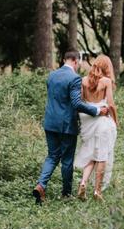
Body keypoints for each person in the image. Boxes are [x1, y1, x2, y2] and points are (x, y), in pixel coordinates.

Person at [32, 50, 108, 205]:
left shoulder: (52, 75)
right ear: (75, 60)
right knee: (66, 160)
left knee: (52, 156)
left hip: (50, 123)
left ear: (63, 59)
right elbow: (76, 103)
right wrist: (97, 111)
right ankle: (66, 194)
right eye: (79, 61)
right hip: (66, 125)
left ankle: (41, 185)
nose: (79, 64)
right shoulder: (74, 78)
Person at [75, 55, 118, 201]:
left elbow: (80, 103)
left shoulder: (83, 81)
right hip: (102, 121)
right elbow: (111, 104)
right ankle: (97, 191)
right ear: (107, 67)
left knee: (92, 154)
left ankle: (83, 183)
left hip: (87, 121)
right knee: (102, 155)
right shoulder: (106, 81)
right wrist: (116, 121)